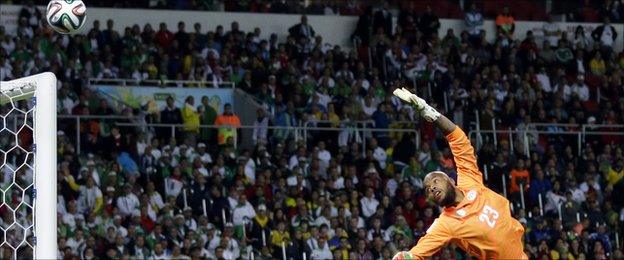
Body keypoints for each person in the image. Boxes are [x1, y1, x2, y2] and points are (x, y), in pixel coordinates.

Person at [391, 88, 527, 259]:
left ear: (449, 179)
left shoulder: (470, 180)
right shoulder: (447, 223)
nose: (431, 188)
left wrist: (430, 113)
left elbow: (458, 139)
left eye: (434, 181)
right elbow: (421, 249)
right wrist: (407, 257)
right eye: (427, 189)